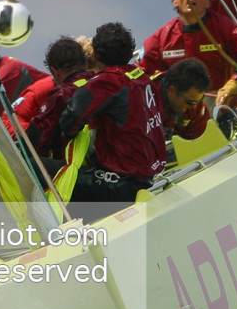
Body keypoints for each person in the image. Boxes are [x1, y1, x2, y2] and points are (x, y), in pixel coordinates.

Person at [56, 22, 166, 205]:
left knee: (40, 169)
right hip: (147, 178)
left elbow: (71, 117)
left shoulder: (108, 81)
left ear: (96, 54)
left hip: (121, 185)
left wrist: (69, 134)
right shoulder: (141, 77)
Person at [140, 0, 237, 92]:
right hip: (180, 103)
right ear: (175, 1)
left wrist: (235, 81)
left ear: (208, 2)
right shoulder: (159, 39)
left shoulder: (226, 27)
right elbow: (138, 77)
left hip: (225, 100)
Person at [14, 35, 87, 137]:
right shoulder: (104, 83)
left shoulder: (58, 96)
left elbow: (39, 136)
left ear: (54, 71)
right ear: (86, 64)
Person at [157, 57, 210, 141]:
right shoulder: (144, 102)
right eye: (189, 102)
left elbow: (203, 141)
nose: (194, 106)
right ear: (171, 91)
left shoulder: (196, 107)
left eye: (199, 101)